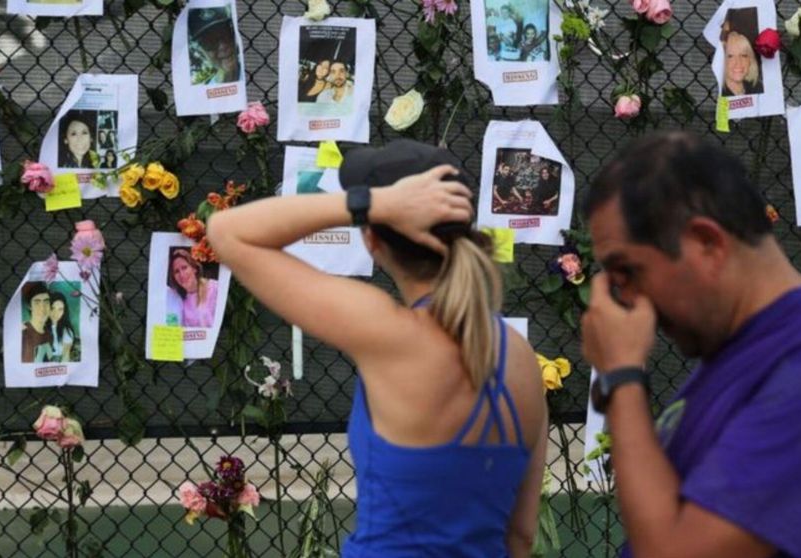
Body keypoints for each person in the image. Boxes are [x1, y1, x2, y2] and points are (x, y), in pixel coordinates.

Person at [206, 139, 547, 557]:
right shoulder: (519, 356)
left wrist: (372, 203)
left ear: (372, 240)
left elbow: (227, 232)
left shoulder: (392, 334)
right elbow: (520, 536)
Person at [580, 131, 801, 558]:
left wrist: (621, 376)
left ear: (707, 243)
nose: (623, 298)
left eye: (628, 271)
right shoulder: (742, 353)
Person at [168, 249, 218, 328]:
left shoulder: (214, 287)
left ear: (194, 268)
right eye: (176, 271)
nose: (182, 274)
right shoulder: (180, 301)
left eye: (184, 268)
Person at [191, 9, 241, 84]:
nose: (222, 47)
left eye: (226, 33)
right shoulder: (205, 88)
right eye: (209, 41)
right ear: (201, 53)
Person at [21, 282, 54, 364]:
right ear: (29, 306)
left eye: (46, 302)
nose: (42, 308)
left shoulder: (50, 335)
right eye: (37, 303)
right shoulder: (22, 332)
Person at [721, 31, 763, 96]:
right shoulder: (719, 94)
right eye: (730, 56)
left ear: (750, 60)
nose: (738, 62)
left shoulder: (759, 89)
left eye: (743, 55)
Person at [48, 291, 76, 363]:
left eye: (60, 309)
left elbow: (65, 356)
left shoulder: (66, 331)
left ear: (64, 311)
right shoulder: (40, 326)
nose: (55, 313)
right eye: (52, 308)